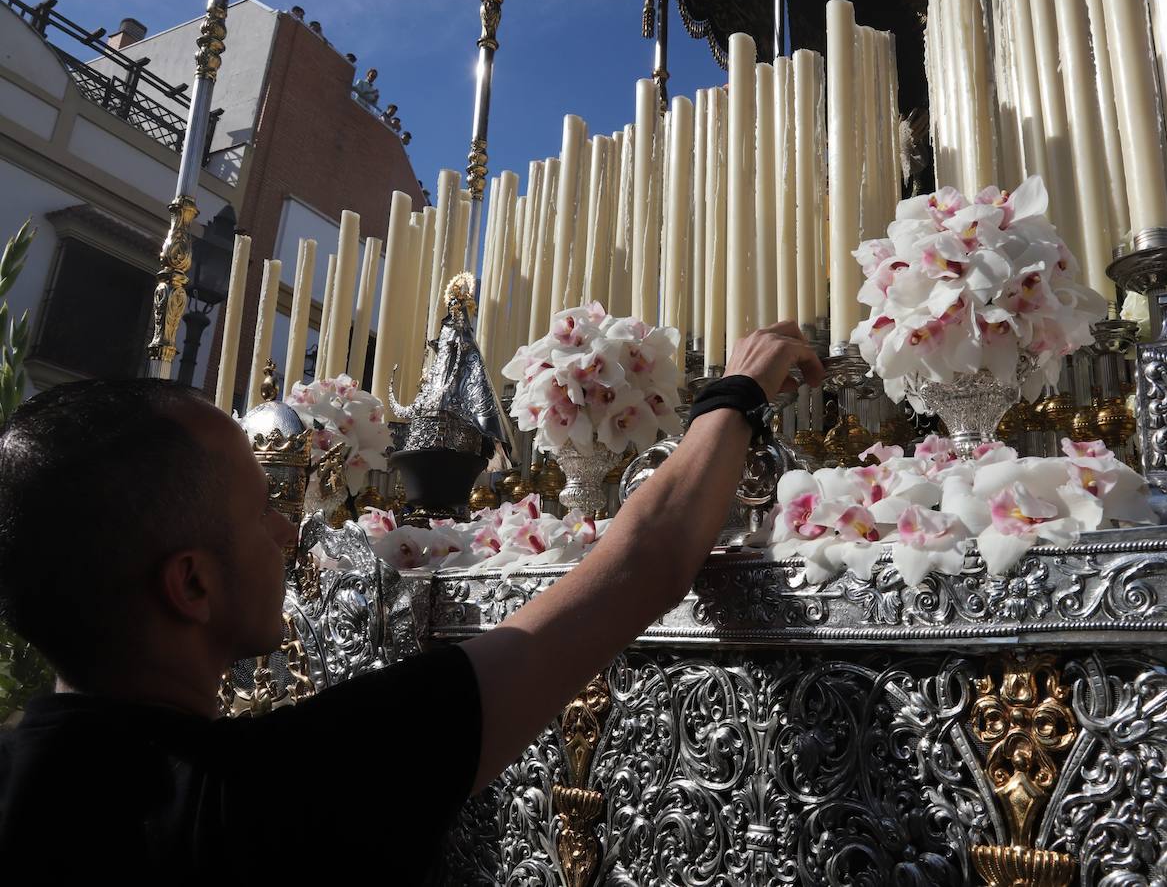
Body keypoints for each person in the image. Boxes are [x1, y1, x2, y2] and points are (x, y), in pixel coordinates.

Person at [0, 324, 822, 883]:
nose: (287, 532)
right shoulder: (275, 794)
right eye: (261, 511)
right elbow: (643, 565)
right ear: (191, 585)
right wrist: (738, 389)